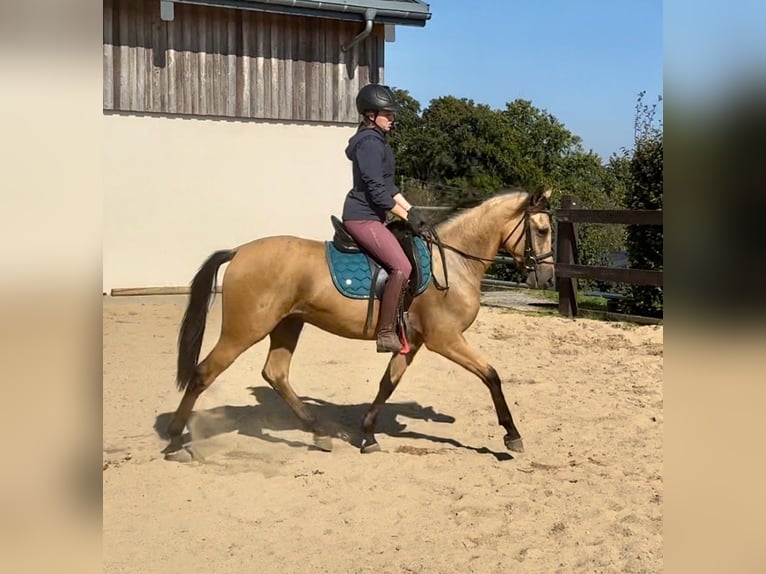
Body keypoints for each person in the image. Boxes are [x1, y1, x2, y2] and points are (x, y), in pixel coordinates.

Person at [341, 83, 428, 353]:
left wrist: (413, 212)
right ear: (370, 115)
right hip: (362, 218)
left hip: (374, 216)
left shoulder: (378, 141)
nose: (392, 118)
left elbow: (389, 187)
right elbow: (378, 193)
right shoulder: (368, 143)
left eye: (392, 114)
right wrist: (404, 215)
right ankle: (385, 332)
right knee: (402, 266)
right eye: (387, 114)